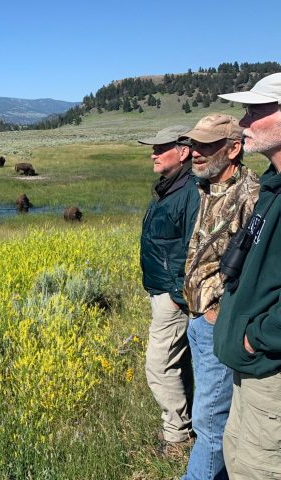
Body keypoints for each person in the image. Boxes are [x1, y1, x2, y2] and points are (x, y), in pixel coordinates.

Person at [181, 114, 260, 479]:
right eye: (194, 144)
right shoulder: (206, 188)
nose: (195, 152)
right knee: (212, 416)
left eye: (207, 145)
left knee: (210, 424)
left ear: (233, 149)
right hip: (197, 321)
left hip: (219, 324)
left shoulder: (251, 195)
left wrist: (223, 312)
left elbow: (260, 269)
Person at [214, 72, 281, 479]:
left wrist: (256, 337)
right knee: (238, 459)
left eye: (257, 110)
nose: (243, 122)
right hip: (251, 369)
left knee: (259, 470)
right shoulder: (272, 186)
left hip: (270, 370)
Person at [138, 125, 199, 454]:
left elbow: (194, 247)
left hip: (172, 297)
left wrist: (178, 295)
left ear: (184, 151)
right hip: (160, 291)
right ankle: (189, 425)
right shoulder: (169, 187)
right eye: (153, 148)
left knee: (159, 365)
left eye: (161, 148)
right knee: (178, 362)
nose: (153, 153)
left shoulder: (190, 190)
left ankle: (176, 438)